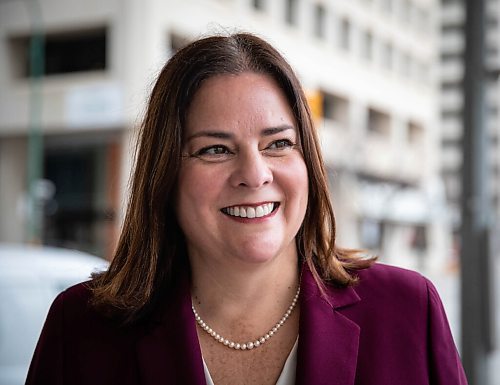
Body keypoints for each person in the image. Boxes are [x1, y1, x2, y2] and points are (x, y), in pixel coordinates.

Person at [26, 32, 467, 385]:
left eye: (278, 144)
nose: (254, 175)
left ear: (308, 162)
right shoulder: (81, 329)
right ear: (165, 175)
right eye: (215, 149)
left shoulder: (409, 310)